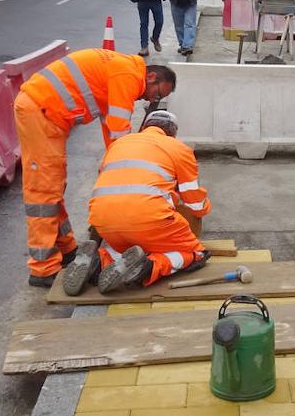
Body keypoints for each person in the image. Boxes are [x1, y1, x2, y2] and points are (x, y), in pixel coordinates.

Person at [14, 49, 177, 287]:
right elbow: (120, 131)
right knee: (43, 190)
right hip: (40, 111)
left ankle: (67, 249)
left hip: (46, 113)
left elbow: (111, 133)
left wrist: (113, 167)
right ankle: (42, 269)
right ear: (151, 77)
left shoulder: (118, 74)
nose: (151, 99)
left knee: (55, 184)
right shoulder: (129, 75)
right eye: (157, 93)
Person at [59, 110, 212, 295]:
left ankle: (98, 261)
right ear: (172, 133)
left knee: (123, 250)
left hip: (104, 220)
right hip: (149, 219)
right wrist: (201, 208)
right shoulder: (178, 148)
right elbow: (195, 204)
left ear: (145, 127)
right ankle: (146, 267)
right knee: (196, 253)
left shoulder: (118, 145)